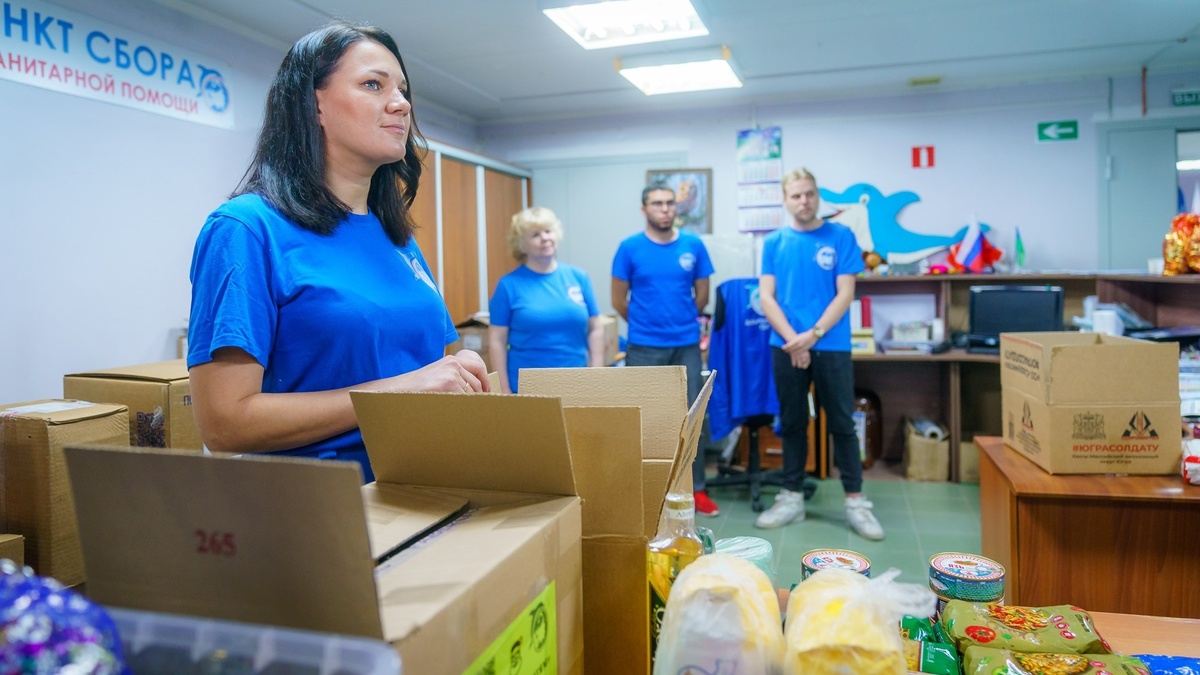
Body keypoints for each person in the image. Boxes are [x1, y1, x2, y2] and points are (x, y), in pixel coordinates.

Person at [186, 22, 488, 483]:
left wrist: (458, 371)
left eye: (403, 90)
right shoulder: (246, 229)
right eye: (373, 84)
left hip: (426, 493)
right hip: (322, 513)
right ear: (314, 103)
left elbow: (431, 363)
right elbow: (225, 424)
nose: (401, 103)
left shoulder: (395, 236)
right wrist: (402, 390)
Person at [755, 168, 884, 540]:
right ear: (785, 200)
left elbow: (845, 293)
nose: (804, 201)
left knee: (842, 423)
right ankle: (791, 497)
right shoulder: (774, 242)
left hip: (830, 344)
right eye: (796, 195)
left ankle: (856, 503)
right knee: (793, 423)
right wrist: (793, 340)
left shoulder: (841, 236)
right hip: (786, 344)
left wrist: (811, 336)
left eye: (809, 194)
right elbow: (766, 296)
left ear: (817, 196)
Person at [612, 183, 717, 516]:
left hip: (685, 345)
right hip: (643, 347)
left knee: (691, 420)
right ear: (644, 209)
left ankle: (696, 489)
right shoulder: (629, 248)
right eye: (657, 203)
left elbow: (702, 296)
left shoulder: (693, 245)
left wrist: (678, 323)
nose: (665, 208)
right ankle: (649, 488)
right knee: (645, 421)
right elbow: (618, 301)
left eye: (670, 203)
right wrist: (649, 325)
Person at [488, 206, 604, 393]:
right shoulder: (508, 285)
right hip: (527, 387)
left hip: (578, 383)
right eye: (535, 235)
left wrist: (597, 373)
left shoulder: (578, 277)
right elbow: (497, 341)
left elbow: (596, 327)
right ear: (521, 245)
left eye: (548, 231)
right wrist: (503, 390)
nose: (545, 238)